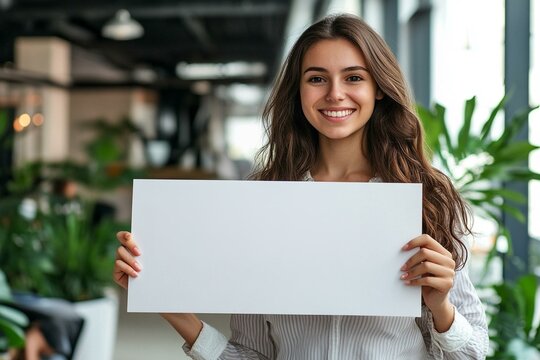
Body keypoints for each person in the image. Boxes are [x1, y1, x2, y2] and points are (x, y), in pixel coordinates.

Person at [114, 13, 488, 359]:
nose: (335, 93)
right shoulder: (264, 200)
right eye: (317, 78)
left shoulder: (427, 198)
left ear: (379, 88)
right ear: (299, 91)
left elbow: (473, 354)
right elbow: (252, 354)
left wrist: (440, 307)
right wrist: (171, 306)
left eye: (354, 77)